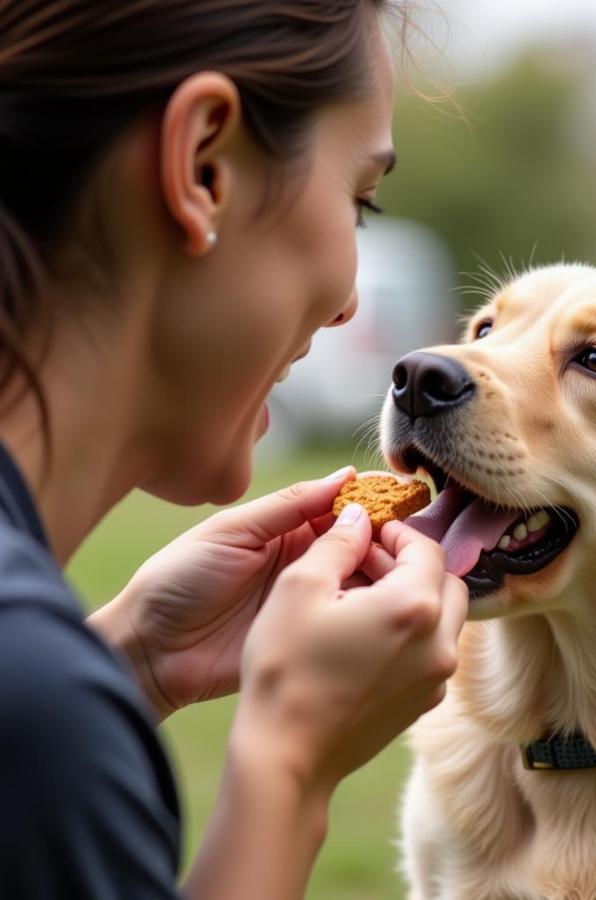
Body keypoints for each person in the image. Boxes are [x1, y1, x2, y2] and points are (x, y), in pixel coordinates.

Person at [0, 2, 468, 898]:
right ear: (203, 165)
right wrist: (288, 764)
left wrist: (131, 661)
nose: (345, 308)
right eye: (359, 202)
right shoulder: (35, 725)